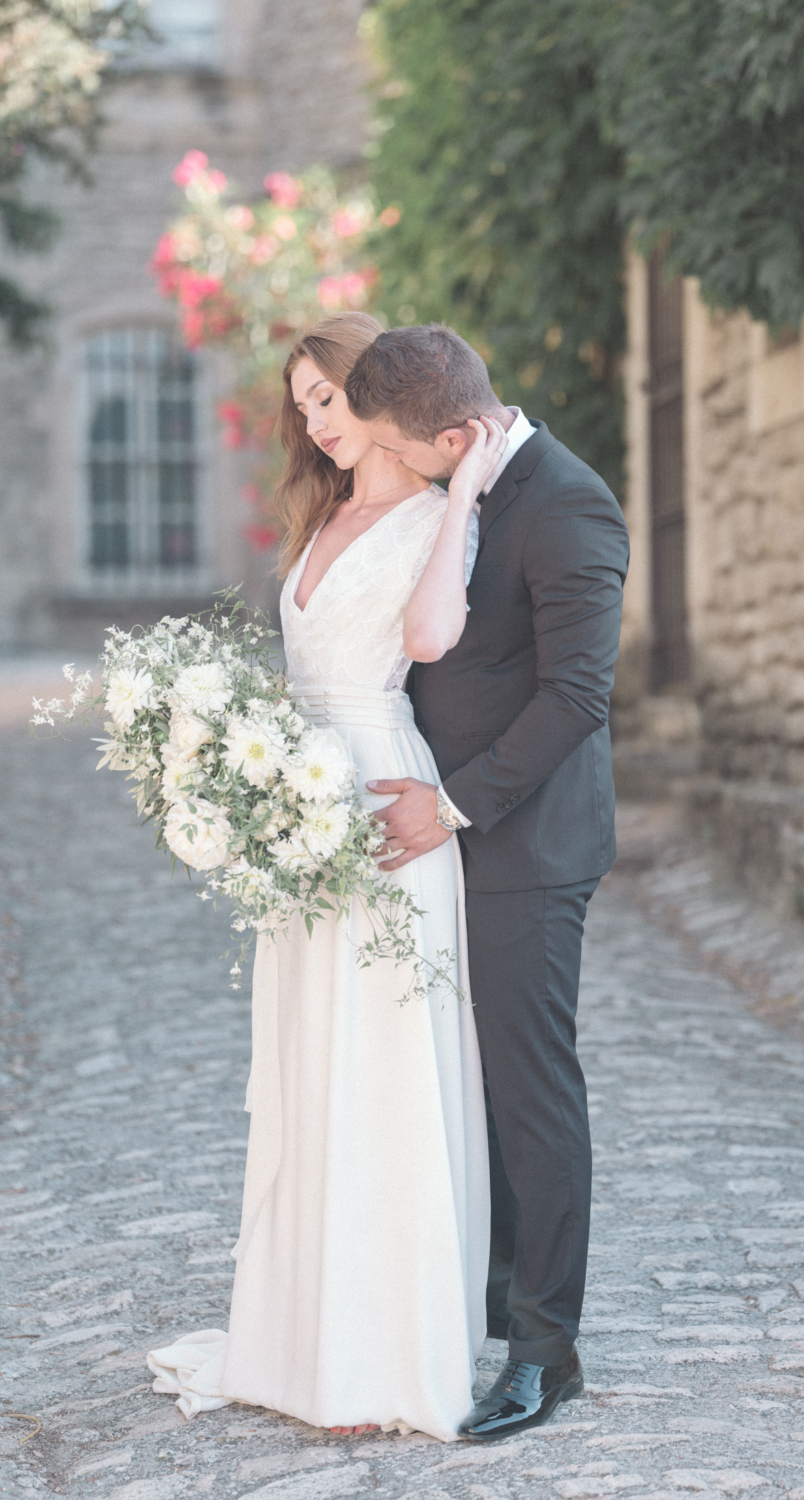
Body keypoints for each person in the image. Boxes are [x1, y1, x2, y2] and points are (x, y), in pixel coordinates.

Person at [147, 312, 505, 1442]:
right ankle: (306, 1335)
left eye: (329, 395)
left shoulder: (437, 516)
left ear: (377, 396)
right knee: (309, 1056)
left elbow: (435, 637)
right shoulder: (322, 515)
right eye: (299, 402)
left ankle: (386, 1351)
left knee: (383, 1058)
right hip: (299, 802)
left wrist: (467, 500)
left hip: (382, 800)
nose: (315, 418)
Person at [345, 324, 629, 1441]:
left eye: (406, 454)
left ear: (455, 434)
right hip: (440, 833)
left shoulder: (569, 506)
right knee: (468, 1085)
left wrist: (451, 806)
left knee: (529, 1088)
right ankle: (481, 1297)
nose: (400, 473)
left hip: (527, 847)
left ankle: (544, 1352)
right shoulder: (460, 481)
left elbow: (576, 698)